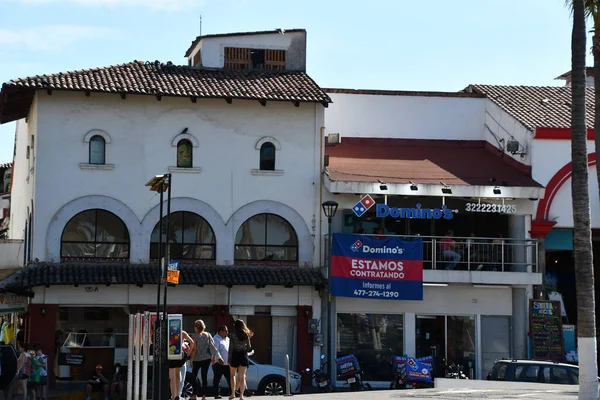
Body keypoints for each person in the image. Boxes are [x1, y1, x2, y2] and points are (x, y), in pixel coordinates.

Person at [189, 320, 221, 400]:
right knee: (204, 376)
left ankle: (194, 395)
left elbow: (194, 349)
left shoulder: (194, 336)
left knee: (194, 376)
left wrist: (191, 359)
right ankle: (204, 396)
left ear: (196, 327)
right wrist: (214, 356)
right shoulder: (208, 334)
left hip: (197, 359)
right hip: (206, 359)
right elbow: (212, 346)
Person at [228, 320, 253, 400]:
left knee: (232, 375)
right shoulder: (246, 335)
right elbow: (249, 348)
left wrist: (229, 359)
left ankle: (233, 394)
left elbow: (231, 348)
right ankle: (241, 396)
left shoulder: (232, 335)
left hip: (235, 355)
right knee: (242, 377)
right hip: (243, 355)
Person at [169, 330, 195, 400]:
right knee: (178, 374)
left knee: (172, 376)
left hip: (171, 354)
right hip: (181, 355)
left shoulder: (169, 332)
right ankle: (177, 394)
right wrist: (188, 354)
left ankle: (173, 395)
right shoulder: (182, 333)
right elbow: (192, 342)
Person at [212, 326, 231, 400]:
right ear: (221, 331)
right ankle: (216, 394)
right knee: (217, 379)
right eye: (226, 331)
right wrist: (219, 358)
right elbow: (215, 350)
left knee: (230, 378)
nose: (227, 332)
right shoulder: (216, 339)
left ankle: (233, 392)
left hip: (227, 363)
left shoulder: (227, 339)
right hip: (218, 363)